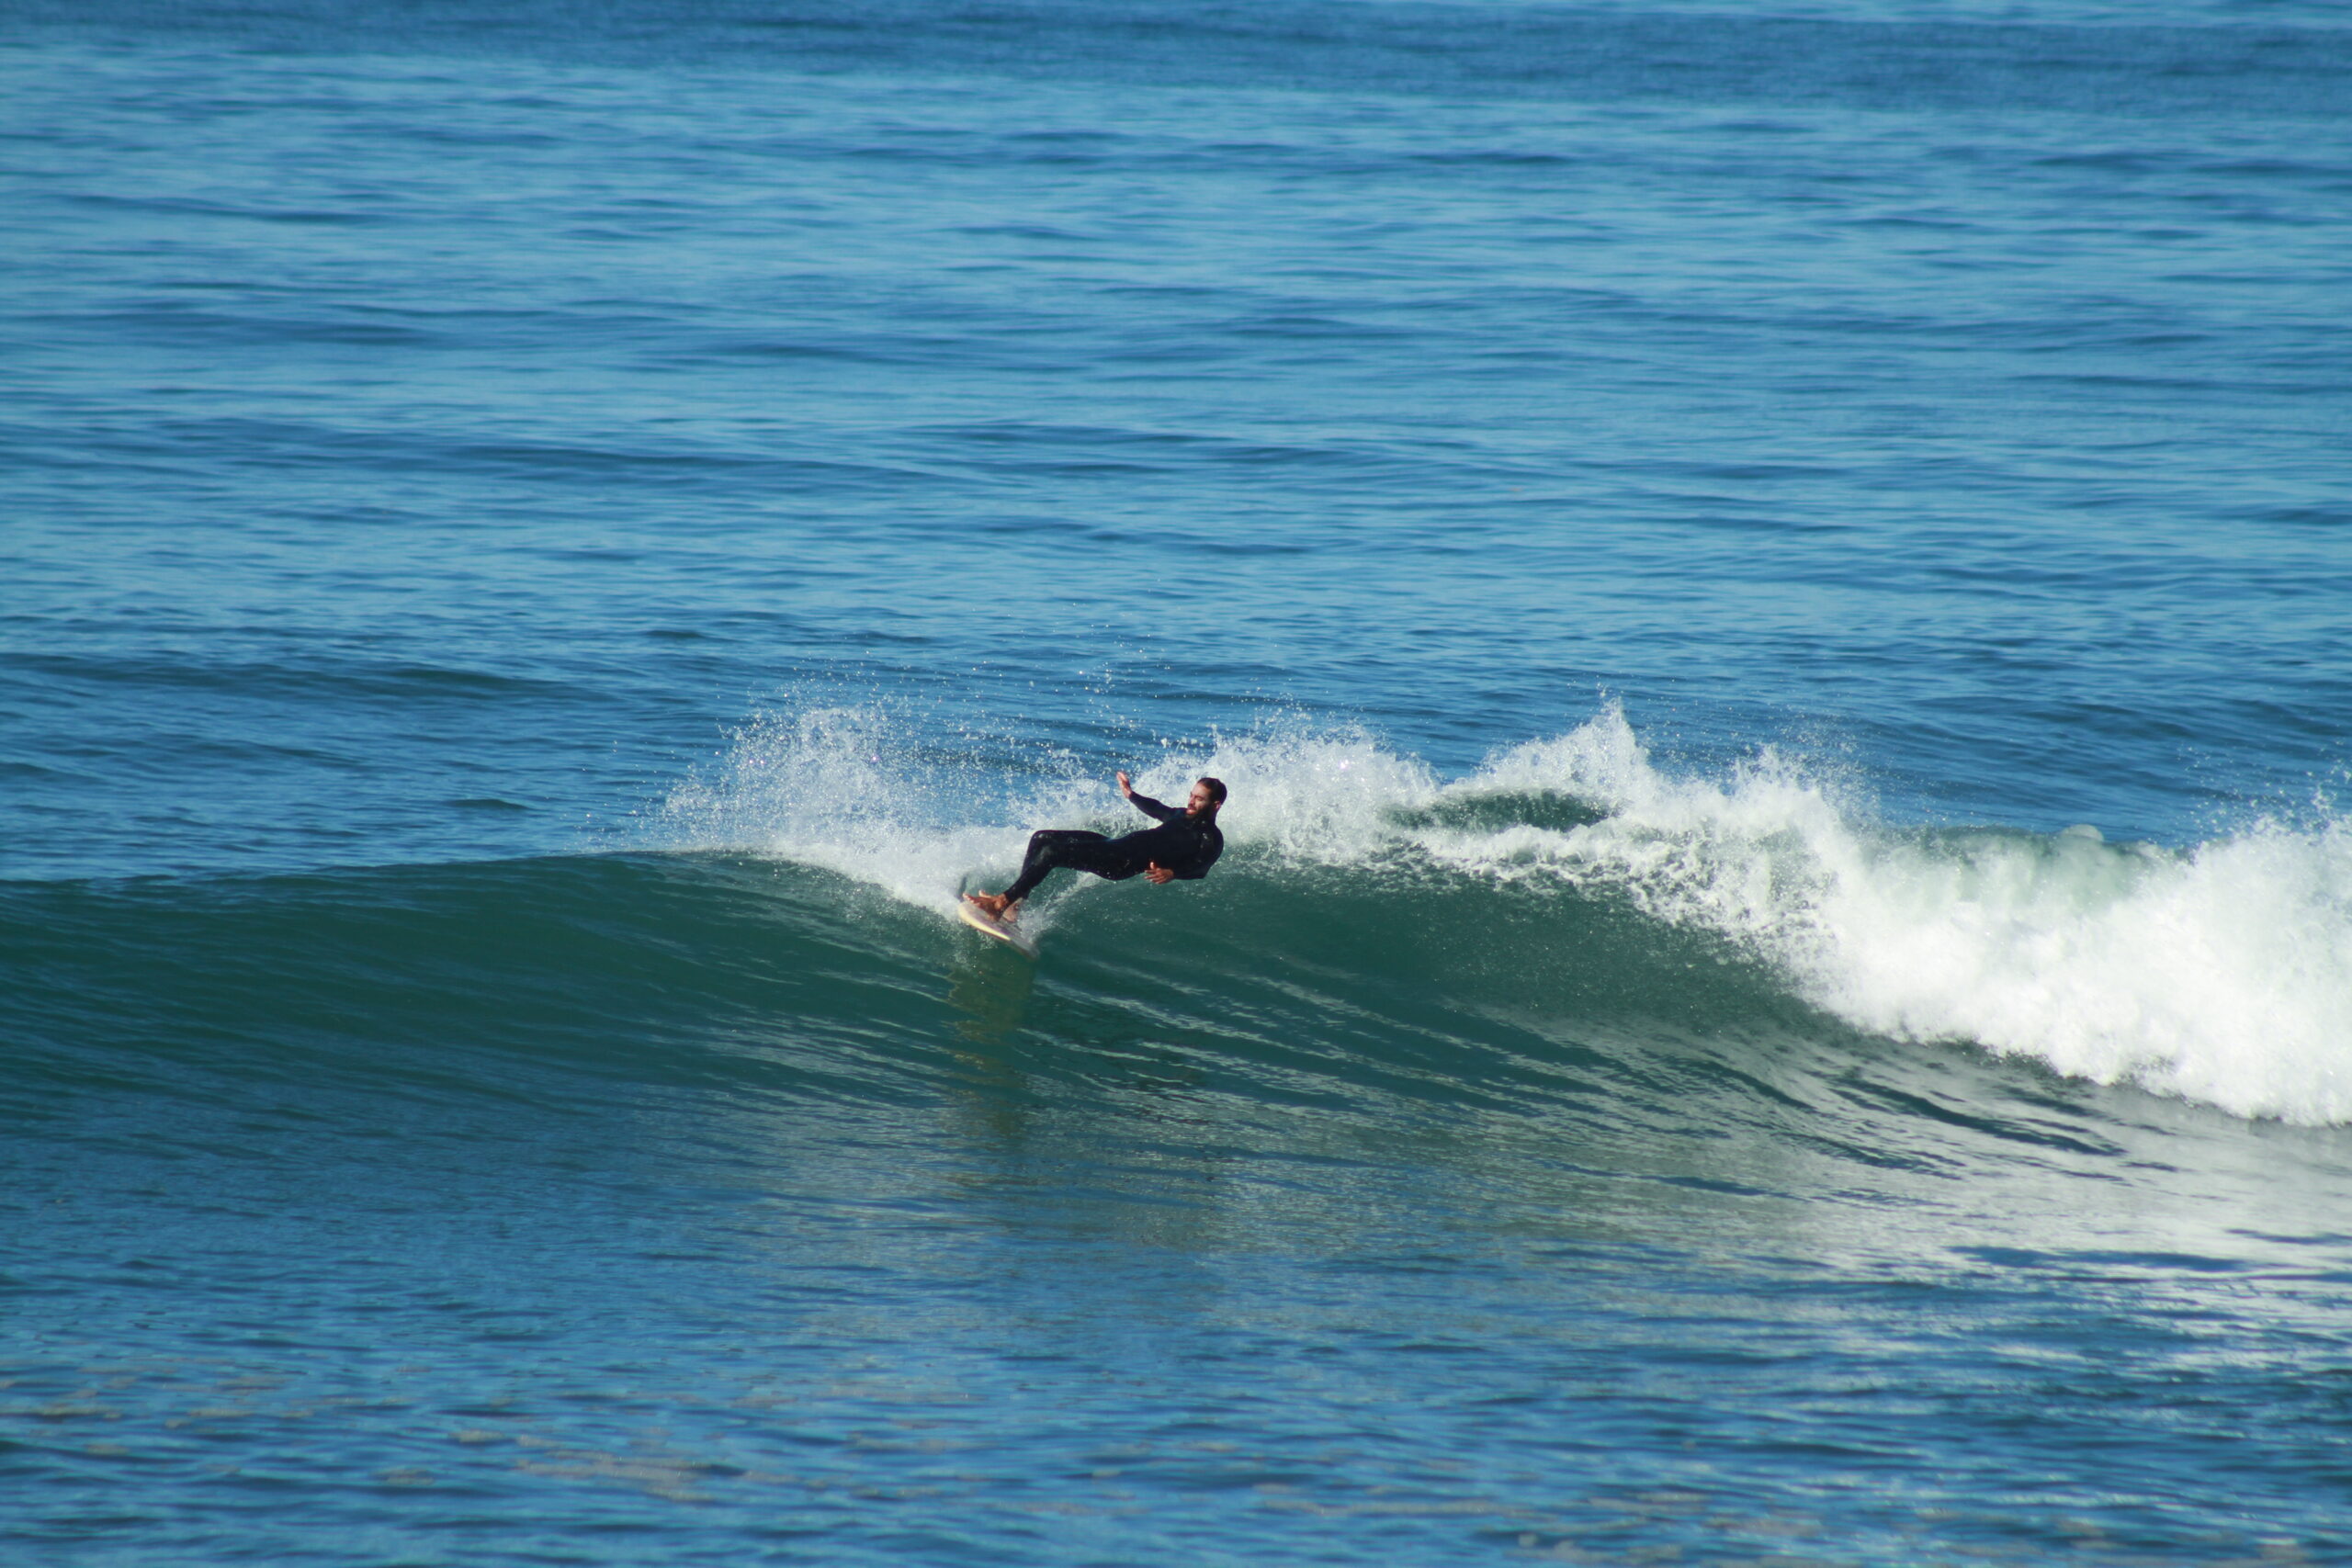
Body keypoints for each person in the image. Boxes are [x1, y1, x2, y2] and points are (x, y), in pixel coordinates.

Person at [966, 773, 1226, 924]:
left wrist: (1172, 873)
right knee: (1042, 838)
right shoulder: (1180, 815)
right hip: (1113, 845)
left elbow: (1201, 869)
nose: (1191, 801)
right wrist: (1131, 794)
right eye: (1191, 795)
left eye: (1198, 799)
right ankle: (1017, 902)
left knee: (1052, 854)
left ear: (1215, 805)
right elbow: (1157, 808)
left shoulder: (1209, 838)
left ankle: (1001, 902)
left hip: (1120, 863)